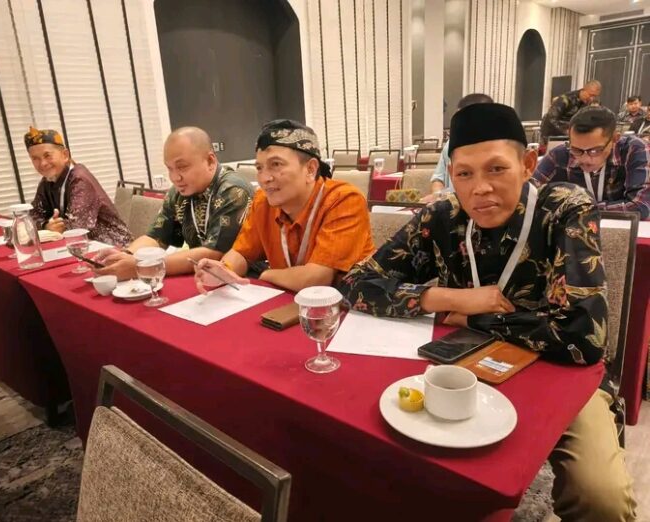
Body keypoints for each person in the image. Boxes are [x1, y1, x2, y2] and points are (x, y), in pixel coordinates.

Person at [340, 102, 637, 521]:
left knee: (600, 496)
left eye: (496, 169)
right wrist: (449, 299)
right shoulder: (441, 217)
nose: (480, 188)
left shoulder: (562, 208)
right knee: (391, 460)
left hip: (556, 370)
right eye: (464, 174)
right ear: (451, 174)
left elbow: (583, 335)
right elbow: (356, 283)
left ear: (527, 164)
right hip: (459, 363)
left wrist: (477, 318)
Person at [192, 119, 374, 294]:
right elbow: (241, 253)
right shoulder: (263, 202)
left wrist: (265, 274)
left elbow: (317, 279)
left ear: (310, 169)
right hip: (288, 299)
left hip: (345, 306)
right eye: (259, 168)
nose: (264, 178)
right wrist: (224, 270)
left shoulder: (344, 200)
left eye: (276, 165)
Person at [94, 127, 254, 280]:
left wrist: (144, 266)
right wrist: (126, 256)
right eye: (169, 169)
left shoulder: (233, 190)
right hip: (202, 275)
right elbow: (156, 237)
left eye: (182, 167)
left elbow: (214, 253)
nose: (175, 177)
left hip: (244, 280)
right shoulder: (179, 192)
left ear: (210, 161)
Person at [533, 106, 650, 219]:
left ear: (615, 139)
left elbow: (640, 205)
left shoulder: (634, 150)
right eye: (577, 150)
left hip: (622, 229)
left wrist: (576, 209)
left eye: (595, 151)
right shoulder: (560, 154)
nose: (585, 159)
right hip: (573, 228)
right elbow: (529, 192)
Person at [25, 127, 132, 246]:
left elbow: (76, 227)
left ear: (65, 155)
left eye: (47, 155)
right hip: (79, 245)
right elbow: (32, 216)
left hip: (113, 245)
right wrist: (46, 225)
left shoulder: (80, 179)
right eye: (35, 158)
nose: (43, 163)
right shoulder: (47, 181)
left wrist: (54, 228)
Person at [425, 93, 493, 202]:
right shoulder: (450, 145)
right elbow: (438, 179)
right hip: (452, 205)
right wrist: (438, 197)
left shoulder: (497, 148)